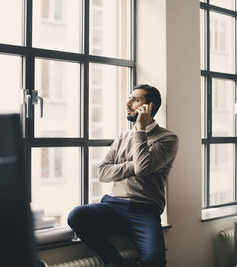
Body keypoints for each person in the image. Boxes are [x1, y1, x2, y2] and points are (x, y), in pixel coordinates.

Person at [68, 84, 179, 267]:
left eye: (135, 99)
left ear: (149, 107)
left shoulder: (167, 138)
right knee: (77, 216)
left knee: (155, 261)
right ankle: (116, 263)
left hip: (145, 210)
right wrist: (134, 164)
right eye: (129, 97)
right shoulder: (123, 136)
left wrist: (141, 130)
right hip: (113, 205)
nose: (128, 103)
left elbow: (143, 168)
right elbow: (103, 172)